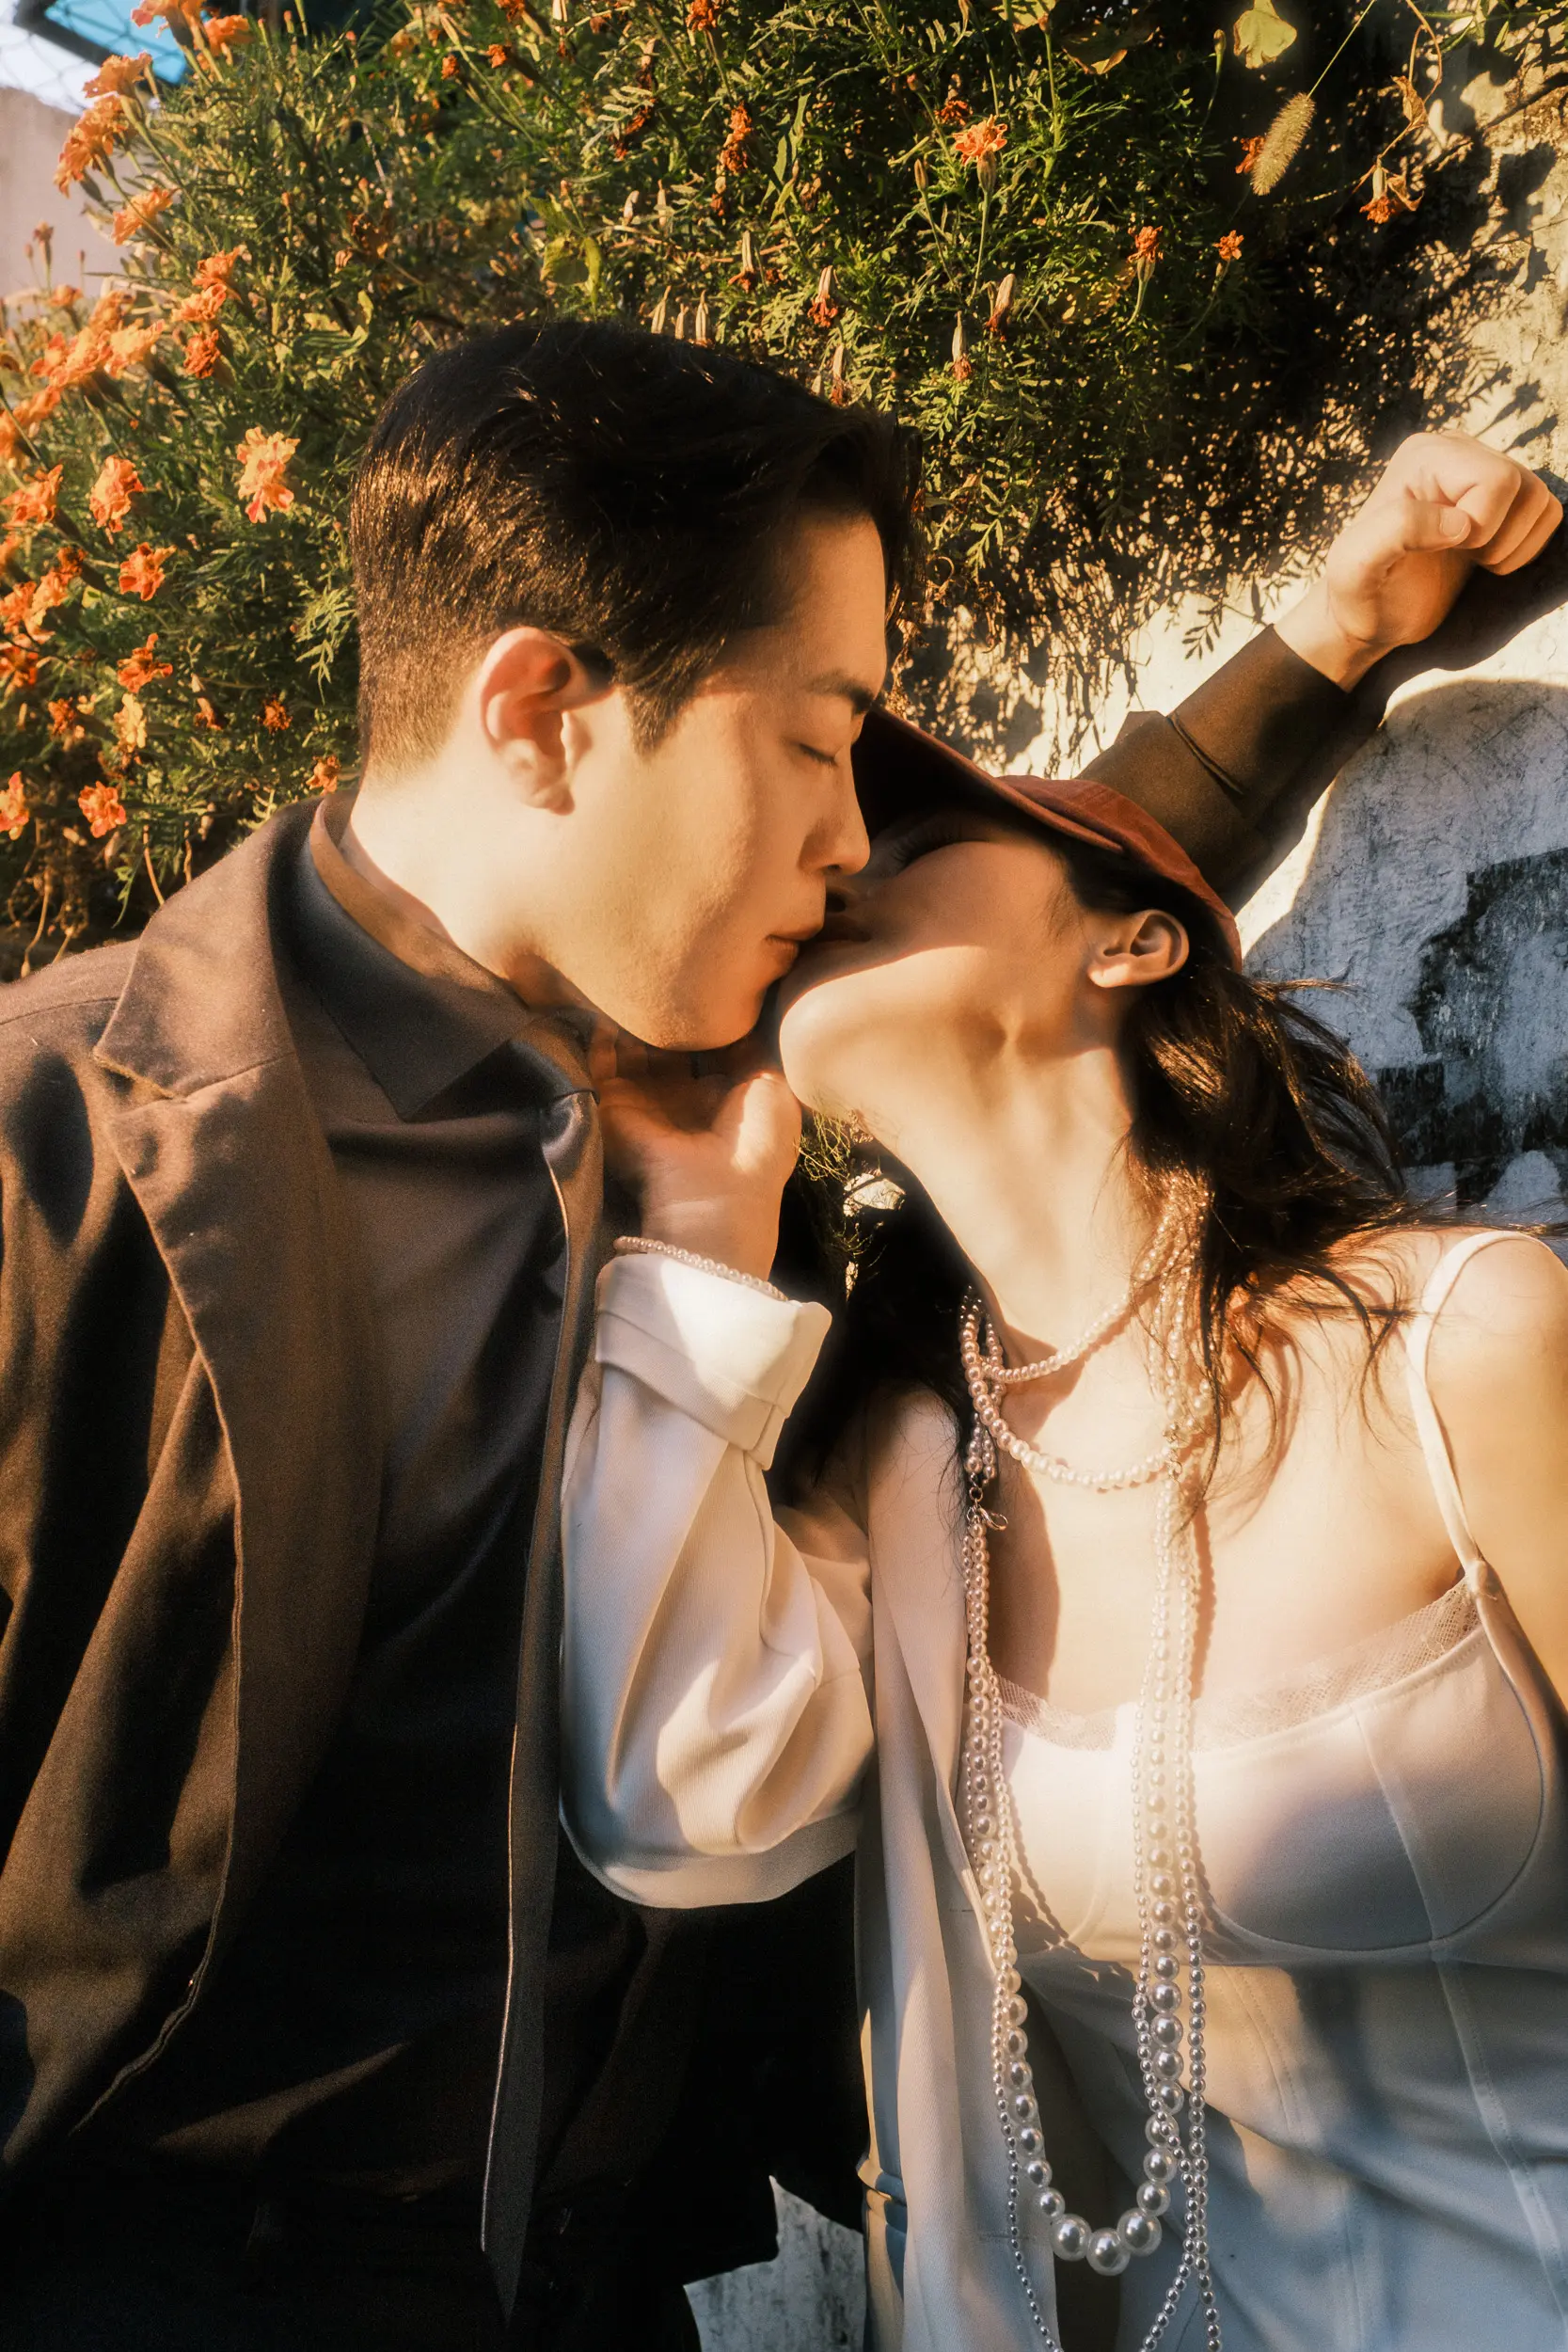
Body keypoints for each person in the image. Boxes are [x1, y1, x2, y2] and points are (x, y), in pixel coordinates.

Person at [0, 308, 1549, 2352]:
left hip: (599, 2290)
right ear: (540, 711)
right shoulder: (54, 1138)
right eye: (822, 745)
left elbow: (1033, 948)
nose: (841, 849)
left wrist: (1332, 644)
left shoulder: (712, 1064)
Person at [558, 459, 1568, 2352]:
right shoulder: (897, 1480)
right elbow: (674, 1800)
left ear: (1132, 938)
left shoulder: (1460, 1348)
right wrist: (692, 1230)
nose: (839, 863)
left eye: (914, 832)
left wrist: (1339, 629)